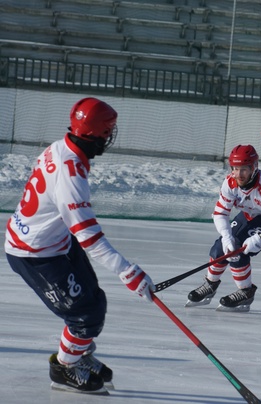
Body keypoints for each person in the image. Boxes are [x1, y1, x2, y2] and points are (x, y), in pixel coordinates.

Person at [4, 97, 155, 394]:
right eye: (107, 131)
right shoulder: (70, 173)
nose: (110, 137)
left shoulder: (62, 147)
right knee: (85, 316)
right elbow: (90, 239)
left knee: (93, 300)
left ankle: (78, 353)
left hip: (55, 241)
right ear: (95, 134)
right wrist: (129, 272)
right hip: (34, 254)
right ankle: (64, 367)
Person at [186, 144, 261, 311]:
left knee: (239, 250)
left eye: (243, 169)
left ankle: (245, 292)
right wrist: (226, 236)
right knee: (221, 247)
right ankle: (210, 285)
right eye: (235, 169)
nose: (238, 174)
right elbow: (221, 213)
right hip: (248, 214)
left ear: (254, 168)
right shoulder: (229, 182)